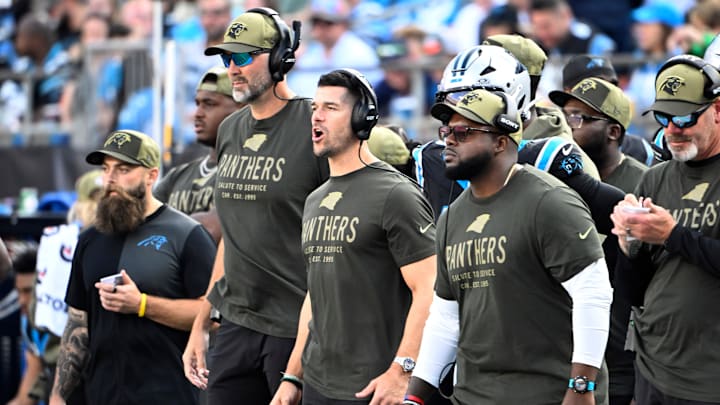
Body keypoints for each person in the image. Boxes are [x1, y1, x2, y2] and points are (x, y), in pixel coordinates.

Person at [404, 88, 613, 404]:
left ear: (500, 142)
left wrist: (581, 388)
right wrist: (415, 397)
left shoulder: (548, 201)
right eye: (447, 130)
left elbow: (593, 294)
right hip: (473, 395)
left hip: (548, 394)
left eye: (464, 132)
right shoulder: (451, 218)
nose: (449, 139)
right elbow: (446, 318)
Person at [183, 8, 329, 404]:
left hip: (295, 329)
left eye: (244, 57)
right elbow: (233, 236)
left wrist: (298, 368)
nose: (232, 68)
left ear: (281, 57)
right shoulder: (230, 129)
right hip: (235, 325)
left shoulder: (314, 123)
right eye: (227, 58)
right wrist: (202, 322)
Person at [270, 68, 436, 404]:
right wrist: (292, 376)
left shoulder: (395, 194)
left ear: (362, 117)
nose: (316, 117)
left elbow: (429, 288)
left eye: (331, 108)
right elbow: (315, 294)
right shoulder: (315, 200)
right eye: (315, 108)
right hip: (319, 385)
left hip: (375, 388)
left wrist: (402, 371)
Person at [49, 129, 216, 405]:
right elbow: (77, 324)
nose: (111, 179)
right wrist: (58, 395)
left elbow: (213, 315)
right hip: (102, 394)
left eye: (123, 169)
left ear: (151, 176)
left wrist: (142, 304)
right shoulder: (90, 239)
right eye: (106, 169)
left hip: (169, 394)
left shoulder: (186, 234)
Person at [610, 54, 720, 404]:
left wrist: (673, 235)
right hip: (655, 368)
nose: (673, 128)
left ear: (717, 110)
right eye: (664, 116)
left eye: (685, 117)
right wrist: (629, 246)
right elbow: (635, 292)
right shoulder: (655, 177)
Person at [549, 77, 646, 405]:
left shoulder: (643, 180)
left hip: (623, 343)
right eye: (566, 115)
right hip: (566, 339)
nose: (569, 125)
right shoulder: (554, 178)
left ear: (613, 131)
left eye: (580, 117)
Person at [153, 66, 243, 244]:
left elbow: (212, 230)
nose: (198, 114)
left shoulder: (249, 169)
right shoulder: (178, 176)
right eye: (197, 104)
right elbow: (144, 223)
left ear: (241, 109)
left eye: (209, 104)